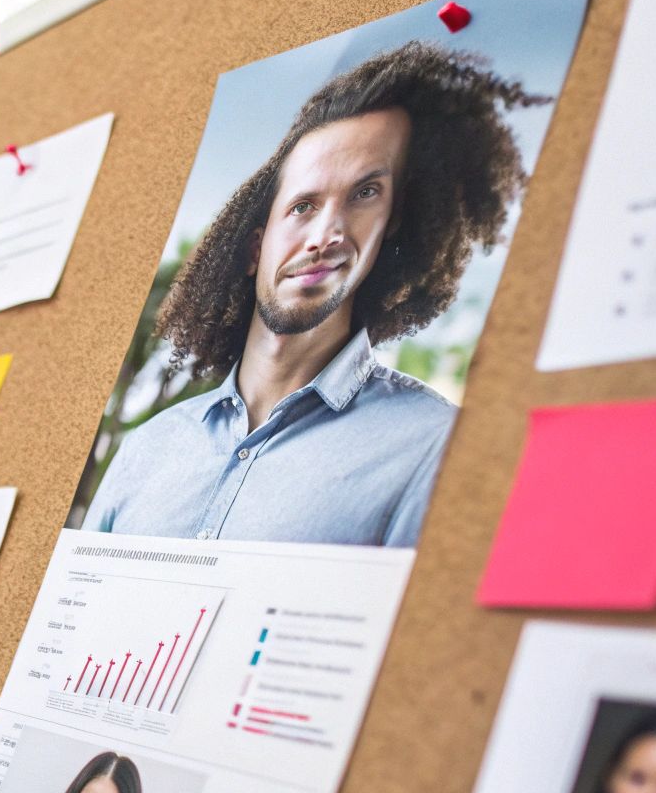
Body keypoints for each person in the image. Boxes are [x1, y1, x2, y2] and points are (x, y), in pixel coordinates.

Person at [85, 41, 546, 547]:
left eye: (365, 194)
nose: (326, 234)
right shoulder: (146, 448)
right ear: (254, 246)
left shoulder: (434, 445)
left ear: (393, 228)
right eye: (303, 205)